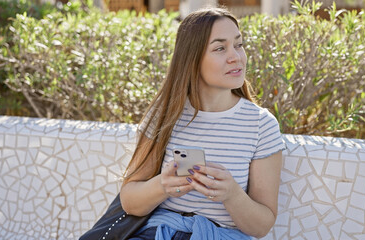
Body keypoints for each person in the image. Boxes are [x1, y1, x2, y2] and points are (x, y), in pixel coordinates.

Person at [120, 7, 285, 240]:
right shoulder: (165, 115)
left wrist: (232, 195)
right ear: (192, 59)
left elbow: (261, 227)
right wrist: (162, 185)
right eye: (220, 48)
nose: (235, 57)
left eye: (238, 44)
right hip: (158, 233)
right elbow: (129, 201)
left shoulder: (261, 125)